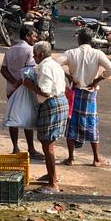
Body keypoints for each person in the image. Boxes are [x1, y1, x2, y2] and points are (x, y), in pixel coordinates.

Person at [63, 27, 111, 167]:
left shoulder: (70, 53)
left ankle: (71, 158)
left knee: (71, 124)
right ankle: (96, 159)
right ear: (92, 40)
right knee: (91, 124)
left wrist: (68, 76)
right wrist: (97, 80)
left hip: (75, 92)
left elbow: (54, 64)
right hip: (90, 93)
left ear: (78, 39)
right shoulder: (97, 54)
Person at [23, 41, 68, 192]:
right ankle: (51, 174)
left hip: (51, 103)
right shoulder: (54, 64)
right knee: (48, 143)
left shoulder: (45, 66)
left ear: (40, 55)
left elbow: (45, 91)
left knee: (47, 144)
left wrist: (30, 85)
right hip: (60, 101)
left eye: (35, 55)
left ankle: (53, 183)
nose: (34, 58)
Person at [1, 24, 40, 159]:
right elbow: (30, 71)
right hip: (25, 89)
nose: (36, 38)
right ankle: (31, 149)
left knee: (14, 117)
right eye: (34, 36)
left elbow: (3, 70)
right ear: (27, 36)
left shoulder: (10, 50)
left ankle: (15, 147)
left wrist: (13, 81)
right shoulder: (30, 50)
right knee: (27, 117)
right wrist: (21, 83)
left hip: (11, 89)